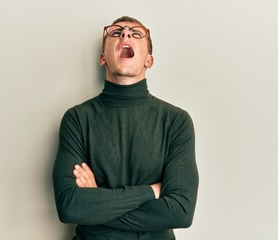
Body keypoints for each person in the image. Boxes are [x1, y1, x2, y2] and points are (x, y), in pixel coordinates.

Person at [53, 16, 199, 240]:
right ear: (103, 58)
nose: (125, 34)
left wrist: (96, 206)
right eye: (115, 32)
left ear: (149, 60)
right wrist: (151, 191)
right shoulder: (77, 119)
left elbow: (180, 211)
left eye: (136, 33)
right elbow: (70, 207)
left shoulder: (176, 121)